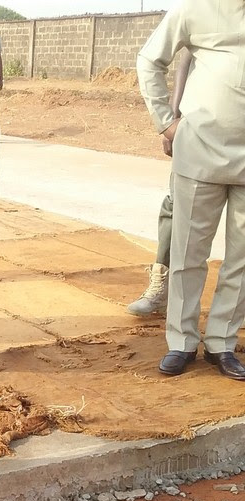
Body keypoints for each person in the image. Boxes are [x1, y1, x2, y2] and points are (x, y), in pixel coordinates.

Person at [138, 1, 245, 380]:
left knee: (242, 259)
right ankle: (181, 341)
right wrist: (165, 122)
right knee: (187, 253)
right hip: (200, 149)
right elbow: (150, 60)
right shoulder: (195, 8)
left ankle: (222, 343)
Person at [128, 49, 192, 317]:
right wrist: (171, 120)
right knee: (177, 203)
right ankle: (162, 286)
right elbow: (186, 59)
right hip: (202, 127)